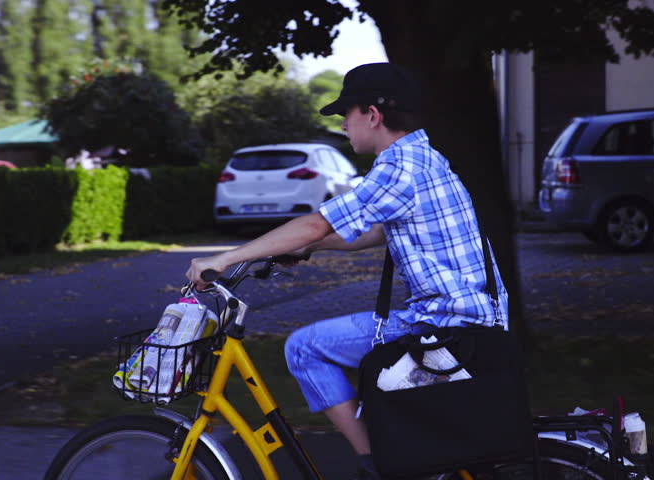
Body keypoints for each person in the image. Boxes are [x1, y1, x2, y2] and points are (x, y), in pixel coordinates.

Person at [186, 62, 508, 480]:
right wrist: (309, 247)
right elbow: (376, 231)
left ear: (372, 114)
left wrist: (225, 258)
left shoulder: (399, 167)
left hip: (444, 325)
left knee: (304, 348)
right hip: (473, 319)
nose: (342, 124)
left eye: (346, 113)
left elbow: (316, 223)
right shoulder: (424, 156)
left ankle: (378, 465)